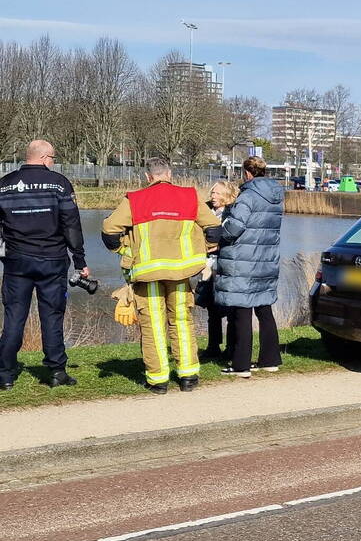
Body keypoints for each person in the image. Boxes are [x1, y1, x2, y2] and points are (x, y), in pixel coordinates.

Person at [101, 158, 222, 394]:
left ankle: (158, 380)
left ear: (148, 177)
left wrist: (124, 251)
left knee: (153, 325)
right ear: (169, 174)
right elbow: (214, 228)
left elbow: (109, 231)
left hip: (147, 273)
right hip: (181, 272)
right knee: (182, 322)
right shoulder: (190, 196)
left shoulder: (134, 200)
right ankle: (188, 376)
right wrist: (203, 248)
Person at [0, 140, 88, 389]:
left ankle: (5, 374)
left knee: (14, 317)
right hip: (52, 261)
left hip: (17, 262)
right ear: (44, 157)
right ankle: (57, 371)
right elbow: (71, 224)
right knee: (52, 315)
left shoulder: (4, 185)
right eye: (53, 158)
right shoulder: (59, 183)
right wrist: (80, 260)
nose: (53, 162)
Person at [216, 156, 284, 377]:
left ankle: (241, 365)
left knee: (242, 312)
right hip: (266, 259)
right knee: (265, 310)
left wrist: (220, 227)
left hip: (244, 261)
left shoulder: (248, 196)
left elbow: (234, 228)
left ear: (247, 173)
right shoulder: (275, 197)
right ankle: (270, 360)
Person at [198, 180, 239, 361]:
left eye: (217, 193)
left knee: (230, 308)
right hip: (207, 266)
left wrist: (218, 245)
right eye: (212, 193)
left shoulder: (234, 212)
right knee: (211, 308)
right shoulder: (205, 210)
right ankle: (213, 346)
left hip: (226, 264)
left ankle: (231, 348)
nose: (213, 196)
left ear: (227, 195)